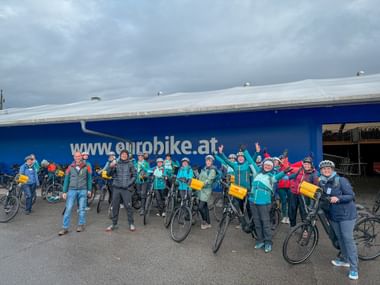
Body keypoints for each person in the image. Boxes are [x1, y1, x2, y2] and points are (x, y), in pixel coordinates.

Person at [318, 160, 359, 280]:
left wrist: (338, 198)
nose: (326, 171)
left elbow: (351, 195)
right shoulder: (322, 182)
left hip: (346, 215)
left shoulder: (341, 180)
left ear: (332, 169)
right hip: (334, 215)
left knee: (347, 239)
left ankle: (354, 268)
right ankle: (345, 259)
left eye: (328, 169)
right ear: (321, 171)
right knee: (339, 238)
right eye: (324, 169)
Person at [249, 156, 291, 253]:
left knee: (265, 223)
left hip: (264, 202)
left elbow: (278, 177)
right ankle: (260, 240)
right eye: (266, 164)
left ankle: (268, 242)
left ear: (272, 167)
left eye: (269, 165)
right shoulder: (257, 173)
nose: (267, 166)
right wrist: (245, 151)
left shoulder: (271, 177)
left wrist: (284, 172)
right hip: (252, 201)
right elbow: (251, 160)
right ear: (263, 165)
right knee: (257, 223)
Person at [59, 152, 92, 235]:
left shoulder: (86, 166)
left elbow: (89, 179)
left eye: (79, 156)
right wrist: (64, 191)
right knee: (68, 208)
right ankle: (65, 228)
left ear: (81, 157)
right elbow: (66, 179)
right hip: (72, 190)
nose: (77, 157)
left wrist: (89, 189)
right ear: (74, 157)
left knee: (82, 209)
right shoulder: (70, 167)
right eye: (76, 156)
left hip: (83, 190)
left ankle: (80, 225)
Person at [106, 149, 137, 232]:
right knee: (115, 207)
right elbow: (108, 174)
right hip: (116, 188)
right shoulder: (116, 163)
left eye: (125, 154)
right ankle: (114, 224)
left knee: (128, 207)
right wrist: (111, 166)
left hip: (126, 189)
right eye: (122, 154)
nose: (124, 155)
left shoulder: (130, 164)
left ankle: (131, 223)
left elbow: (134, 175)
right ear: (120, 155)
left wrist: (129, 183)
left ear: (127, 156)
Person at [288, 156, 319, 228]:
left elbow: (316, 186)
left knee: (304, 212)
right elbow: (290, 176)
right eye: (305, 164)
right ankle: (292, 226)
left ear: (311, 165)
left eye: (308, 164)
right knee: (292, 210)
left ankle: (305, 229)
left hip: (305, 195)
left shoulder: (314, 174)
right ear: (303, 164)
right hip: (294, 193)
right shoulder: (299, 170)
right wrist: (284, 176)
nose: (306, 166)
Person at [197, 155, 217, 229]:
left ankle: (204, 221)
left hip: (206, 190)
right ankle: (208, 223)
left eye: (210, 161)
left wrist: (202, 183)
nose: (208, 162)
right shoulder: (204, 169)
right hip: (201, 190)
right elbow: (199, 177)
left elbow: (209, 180)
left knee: (200, 207)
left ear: (212, 162)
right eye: (207, 161)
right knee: (205, 207)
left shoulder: (212, 170)